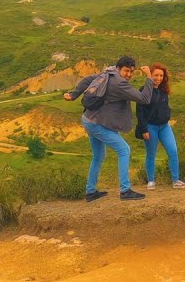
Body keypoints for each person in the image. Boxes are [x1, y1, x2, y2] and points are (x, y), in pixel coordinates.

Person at [64, 55, 153, 201]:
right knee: (124, 150)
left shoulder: (108, 72)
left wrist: (74, 95)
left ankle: (90, 191)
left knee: (98, 156)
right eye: (126, 71)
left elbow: (87, 80)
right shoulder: (119, 84)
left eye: (131, 72)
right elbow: (144, 99)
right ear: (118, 68)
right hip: (96, 124)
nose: (129, 75)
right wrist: (149, 77)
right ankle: (125, 191)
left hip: (89, 119)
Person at [136, 63, 185, 190]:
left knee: (173, 151)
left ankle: (175, 180)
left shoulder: (163, 90)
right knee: (151, 154)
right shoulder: (143, 90)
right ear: (150, 76)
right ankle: (150, 181)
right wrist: (144, 129)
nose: (158, 78)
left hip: (164, 126)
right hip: (150, 127)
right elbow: (140, 111)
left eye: (161, 75)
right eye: (156, 75)